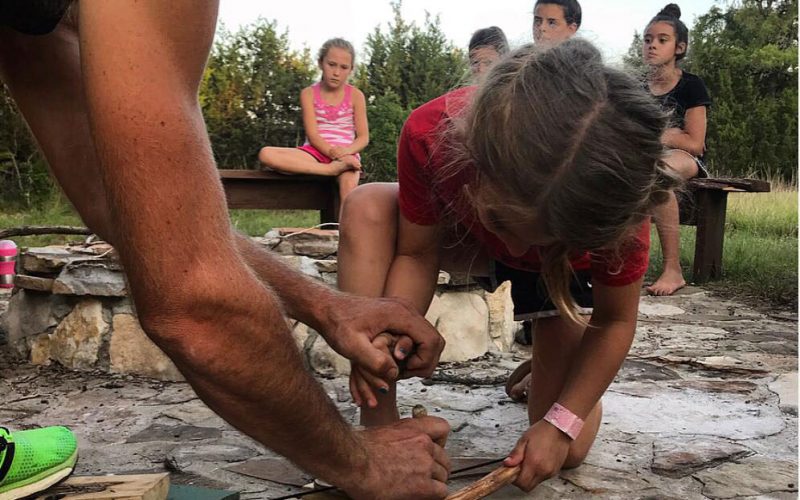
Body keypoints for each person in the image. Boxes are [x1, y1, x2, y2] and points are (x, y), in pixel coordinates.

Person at [0, 2, 450, 499]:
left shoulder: (32, 19)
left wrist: (326, 306)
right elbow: (194, 302)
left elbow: (122, 203)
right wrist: (362, 463)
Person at [338, 39, 681, 493]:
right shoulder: (431, 133)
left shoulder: (615, 201)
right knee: (367, 207)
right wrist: (394, 330)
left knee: (569, 450)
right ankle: (379, 422)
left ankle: (552, 362)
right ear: (475, 158)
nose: (517, 245)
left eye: (536, 235)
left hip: (559, 272)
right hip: (467, 241)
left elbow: (615, 320)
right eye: (504, 219)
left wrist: (560, 425)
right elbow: (417, 253)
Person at [643, 4, 712, 296]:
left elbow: (695, 142)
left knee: (658, 174)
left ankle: (673, 269)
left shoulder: (691, 85)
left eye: (661, 40)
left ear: (679, 47)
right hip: (644, 156)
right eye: (647, 40)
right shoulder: (635, 85)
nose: (652, 46)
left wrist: (662, 135)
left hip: (686, 159)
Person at [259, 38, 367, 211]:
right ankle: (328, 171)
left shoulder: (356, 95)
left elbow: (363, 137)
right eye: (331, 64)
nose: (336, 72)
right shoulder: (308, 94)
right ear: (320, 63)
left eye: (343, 67)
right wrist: (333, 161)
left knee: (349, 191)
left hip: (347, 155)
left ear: (351, 70)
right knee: (266, 154)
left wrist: (345, 153)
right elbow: (313, 135)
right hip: (314, 152)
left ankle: (345, 235)